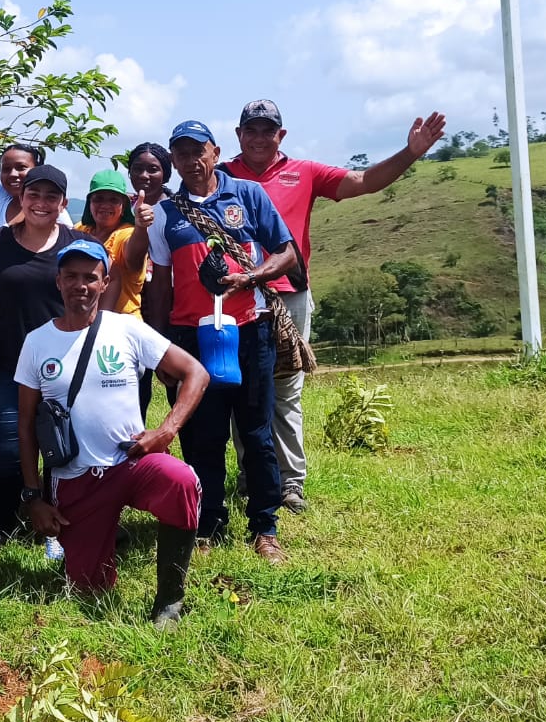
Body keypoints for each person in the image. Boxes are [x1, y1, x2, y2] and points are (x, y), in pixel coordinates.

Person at [221, 99, 446, 513]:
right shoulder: (221, 178)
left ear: (280, 136)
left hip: (289, 293)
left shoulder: (304, 173)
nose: (257, 138)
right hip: (235, 295)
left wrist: (410, 153)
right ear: (238, 135)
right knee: (243, 388)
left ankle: (289, 483)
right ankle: (253, 476)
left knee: (286, 389)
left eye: (266, 130)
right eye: (249, 130)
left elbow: (364, 181)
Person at [15, 239, 209, 625]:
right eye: (71, 276)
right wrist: (34, 497)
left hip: (131, 462)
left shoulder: (127, 329)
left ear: (105, 283)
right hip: (76, 479)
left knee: (182, 480)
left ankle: (169, 600)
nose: (80, 285)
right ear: (58, 282)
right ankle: (102, 532)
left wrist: (167, 430)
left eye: (91, 277)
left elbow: (196, 373)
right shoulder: (37, 342)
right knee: (88, 591)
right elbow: (25, 425)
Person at [138, 120, 299, 564]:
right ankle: (208, 524)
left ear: (215, 151)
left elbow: (287, 252)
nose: (191, 162)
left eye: (199, 151)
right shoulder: (165, 215)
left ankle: (264, 528)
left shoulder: (247, 195)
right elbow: (159, 288)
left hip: (249, 330)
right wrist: (160, 348)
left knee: (257, 434)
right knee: (201, 438)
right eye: (181, 154)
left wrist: (250, 277)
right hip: (190, 338)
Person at [0, 164, 73, 551]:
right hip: (10, 364)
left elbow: (102, 289)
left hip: (65, 364)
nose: (42, 203)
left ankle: (57, 529)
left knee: (61, 449)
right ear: (21, 197)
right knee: (5, 449)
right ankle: (2, 522)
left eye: (51, 196)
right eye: (34, 194)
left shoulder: (73, 245)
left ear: (62, 203)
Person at [0, 64, 72, 229]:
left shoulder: (53, 210)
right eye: (6, 168)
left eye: (21, 167)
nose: (13, 174)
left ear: (37, 169)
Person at [119, 142, 173, 418]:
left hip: (170, 305)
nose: (144, 176)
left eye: (153, 169)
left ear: (166, 173)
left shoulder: (178, 208)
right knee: (135, 385)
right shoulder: (120, 207)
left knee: (174, 378)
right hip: (131, 307)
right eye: (137, 169)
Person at [74, 168, 138, 316]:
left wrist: (141, 228)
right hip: (83, 323)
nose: (105, 205)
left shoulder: (128, 233)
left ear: (123, 207)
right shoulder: (80, 230)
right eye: (99, 198)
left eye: (113, 200)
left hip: (123, 322)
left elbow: (134, 256)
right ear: (89, 203)